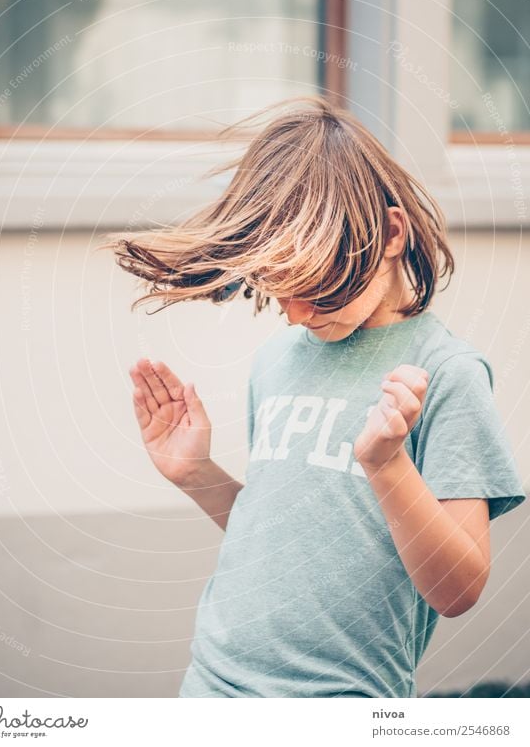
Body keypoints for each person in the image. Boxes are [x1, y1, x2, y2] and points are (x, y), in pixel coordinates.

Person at [98, 95, 526, 698]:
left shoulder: (446, 373)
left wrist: (387, 465)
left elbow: (459, 590)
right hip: (209, 690)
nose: (296, 315)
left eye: (318, 292)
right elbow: (288, 535)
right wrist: (195, 473)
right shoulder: (277, 359)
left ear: (391, 235)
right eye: (279, 292)